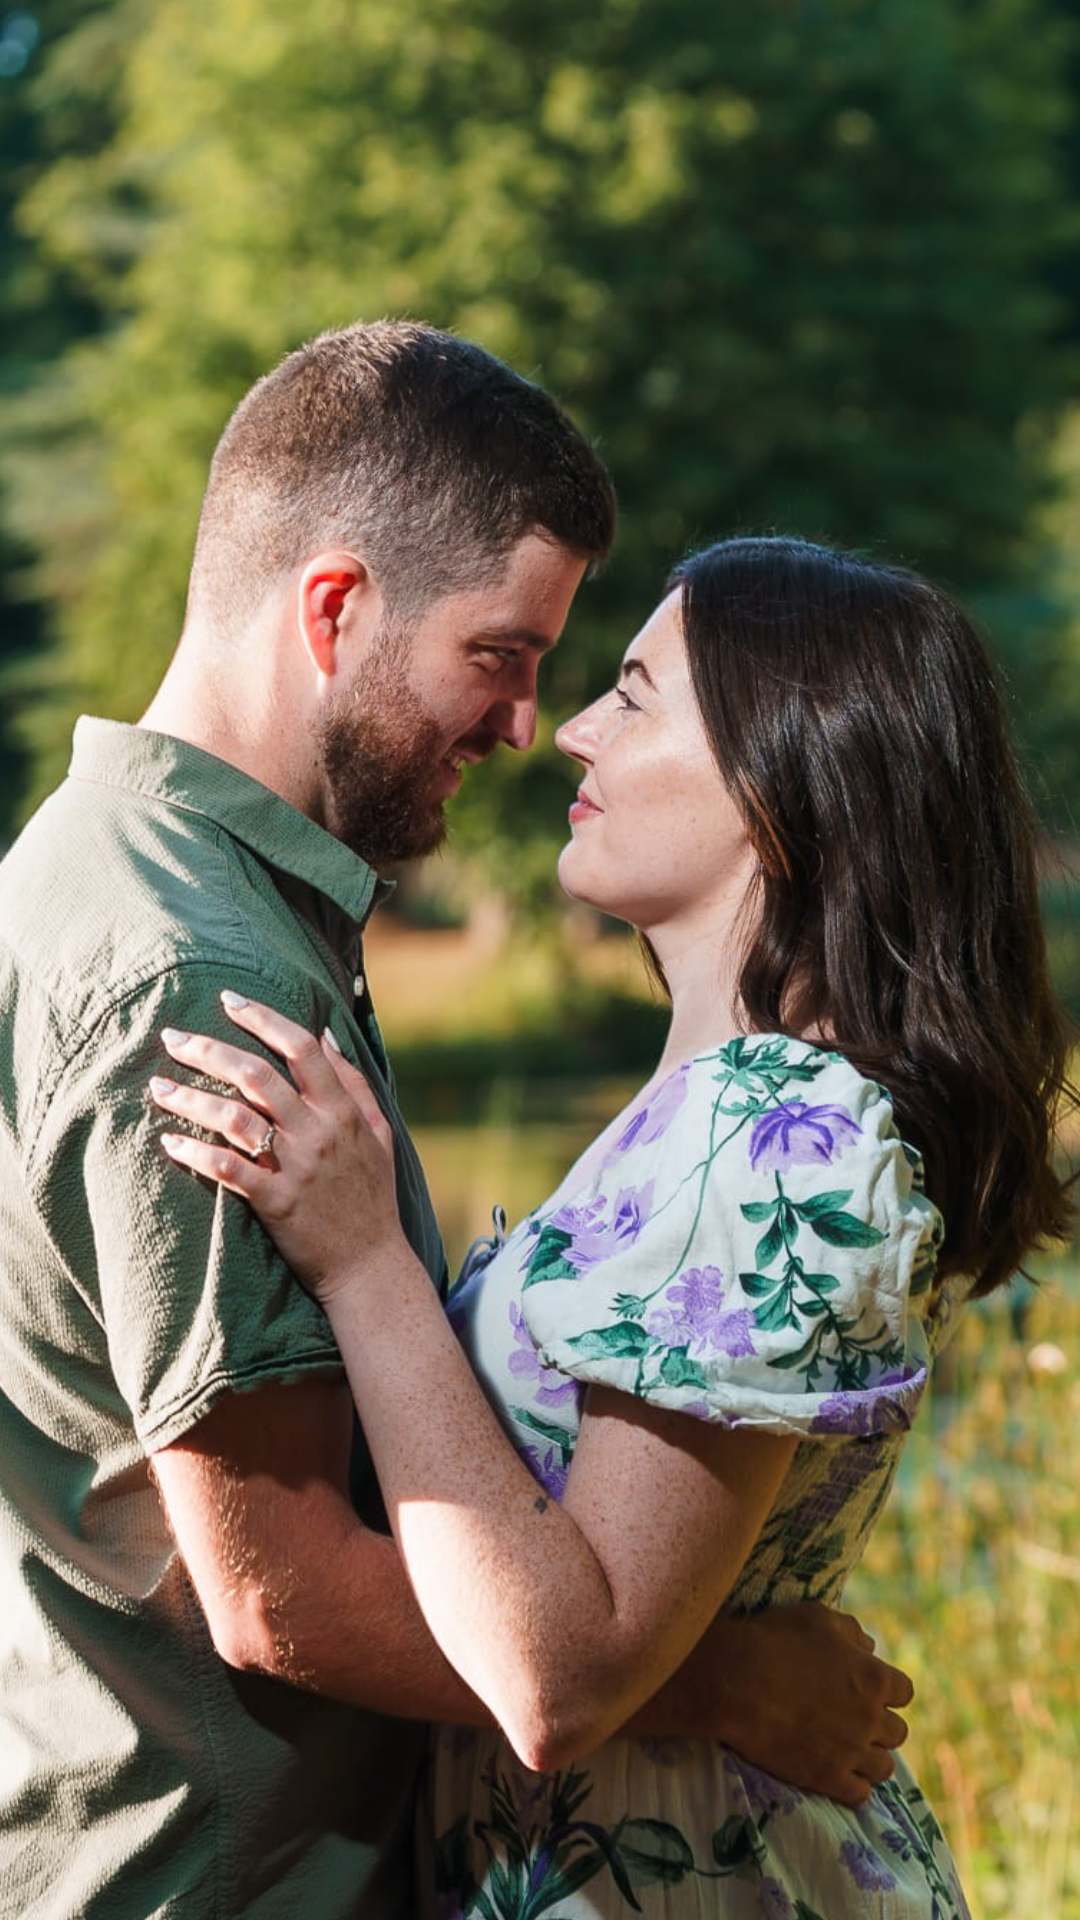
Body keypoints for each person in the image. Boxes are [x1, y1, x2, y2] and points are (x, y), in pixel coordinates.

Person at [0, 332, 906, 1920]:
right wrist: (725, 1685)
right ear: (337, 607)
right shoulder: (195, 971)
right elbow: (286, 1594)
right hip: (209, 1876)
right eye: (500, 654)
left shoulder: (123, 875)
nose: (525, 723)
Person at [152, 535, 1075, 1918]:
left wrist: (364, 1262)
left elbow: (557, 1673)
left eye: (635, 694)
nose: (570, 727)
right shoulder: (713, 1112)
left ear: (783, 777)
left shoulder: (776, 1137)